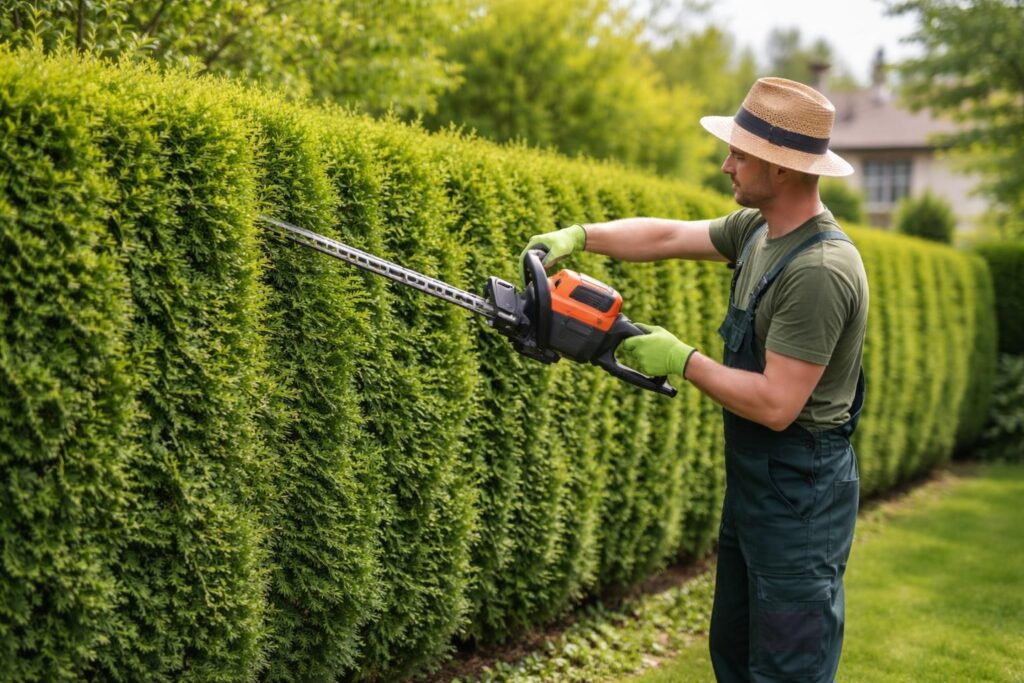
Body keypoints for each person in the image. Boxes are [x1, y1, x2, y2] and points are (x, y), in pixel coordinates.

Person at [519, 77, 868, 683]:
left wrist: (685, 360)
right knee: (733, 653)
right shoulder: (759, 230)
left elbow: (778, 404)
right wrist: (580, 237)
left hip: (802, 493)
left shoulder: (818, 270)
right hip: (758, 486)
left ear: (781, 169)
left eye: (739, 153)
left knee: (788, 667)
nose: (726, 163)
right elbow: (668, 234)